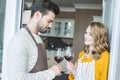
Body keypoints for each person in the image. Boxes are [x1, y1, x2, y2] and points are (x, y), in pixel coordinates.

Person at [2, 0, 62, 80]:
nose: (50, 26)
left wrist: (51, 71)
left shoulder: (38, 38)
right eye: (49, 21)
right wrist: (51, 72)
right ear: (37, 15)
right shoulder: (20, 40)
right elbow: (17, 78)